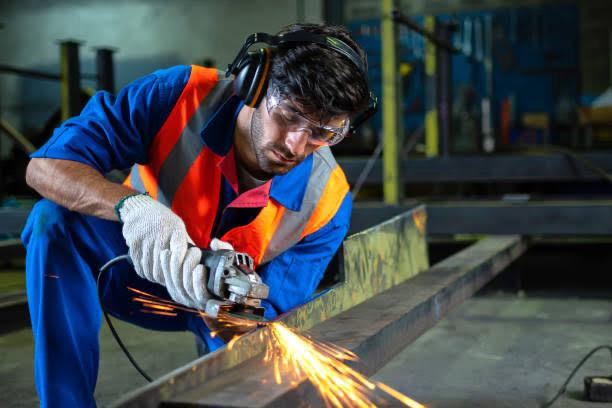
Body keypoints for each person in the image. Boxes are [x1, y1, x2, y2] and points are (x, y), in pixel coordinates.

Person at [22, 22, 372, 407]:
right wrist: (132, 208)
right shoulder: (177, 96)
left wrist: (229, 306)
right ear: (255, 83)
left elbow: (271, 321)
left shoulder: (327, 200)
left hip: (217, 309)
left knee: (258, 365)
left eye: (322, 133)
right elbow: (45, 167)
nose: (296, 145)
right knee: (53, 221)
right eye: (289, 115)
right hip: (131, 269)